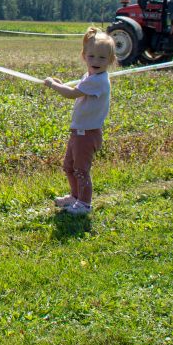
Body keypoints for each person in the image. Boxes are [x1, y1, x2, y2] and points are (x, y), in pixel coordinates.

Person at [43, 27, 115, 216]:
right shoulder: (91, 76)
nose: (96, 61)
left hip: (87, 134)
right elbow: (78, 89)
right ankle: (75, 196)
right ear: (84, 56)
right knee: (69, 166)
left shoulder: (98, 80)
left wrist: (53, 85)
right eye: (91, 56)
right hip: (79, 131)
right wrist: (60, 84)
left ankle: (84, 203)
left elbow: (72, 94)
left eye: (102, 58)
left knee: (81, 170)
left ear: (110, 60)